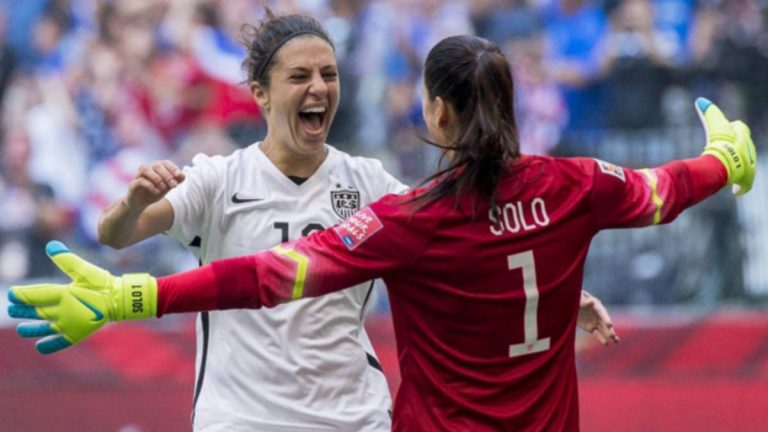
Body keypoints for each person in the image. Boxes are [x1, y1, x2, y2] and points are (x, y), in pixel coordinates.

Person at [3, 33, 680, 431]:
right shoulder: (215, 176)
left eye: (327, 74)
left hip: (352, 419)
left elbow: (468, 244)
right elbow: (117, 233)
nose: (319, 87)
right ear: (263, 94)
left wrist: (554, 298)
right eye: (299, 76)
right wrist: (130, 204)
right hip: (242, 420)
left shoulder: (374, 185)